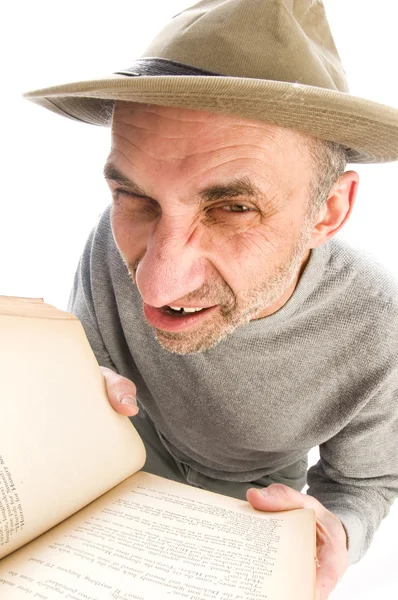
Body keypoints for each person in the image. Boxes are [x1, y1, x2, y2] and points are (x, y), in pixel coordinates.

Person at [24, 1, 398, 598]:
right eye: (134, 196)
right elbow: (89, 368)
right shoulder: (109, 238)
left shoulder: (380, 324)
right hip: (114, 469)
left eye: (233, 208)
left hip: (250, 507)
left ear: (330, 211)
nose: (156, 285)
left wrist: (339, 537)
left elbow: (366, 483)